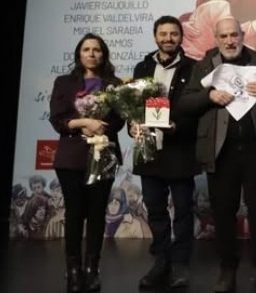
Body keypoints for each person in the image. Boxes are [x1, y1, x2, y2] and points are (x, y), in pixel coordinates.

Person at [176, 17, 256, 292]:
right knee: (223, 212)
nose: (230, 41)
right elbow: (184, 102)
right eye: (224, 36)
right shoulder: (204, 65)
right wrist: (208, 96)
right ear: (216, 38)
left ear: (243, 35)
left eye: (234, 35)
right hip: (220, 151)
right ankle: (227, 269)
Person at [49, 32, 125, 292]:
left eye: (97, 50)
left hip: (104, 155)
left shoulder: (114, 84)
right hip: (71, 158)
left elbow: (120, 120)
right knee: (74, 214)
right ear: (79, 54)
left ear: (103, 54)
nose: (92, 54)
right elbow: (57, 119)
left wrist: (102, 127)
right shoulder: (63, 82)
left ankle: (92, 268)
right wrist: (83, 124)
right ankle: (73, 269)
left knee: (96, 214)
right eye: (87, 49)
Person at [129, 15, 200, 290]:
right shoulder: (142, 67)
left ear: (181, 37)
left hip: (180, 149)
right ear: (155, 36)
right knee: (155, 209)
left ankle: (180, 264)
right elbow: (132, 105)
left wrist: (176, 126)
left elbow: (198, 109)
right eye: (163, 34)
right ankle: (161, 262)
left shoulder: (194, 68)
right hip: (149, 150)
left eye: (173, 34)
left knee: (183, 209)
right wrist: (132, 125)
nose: (168, 38)